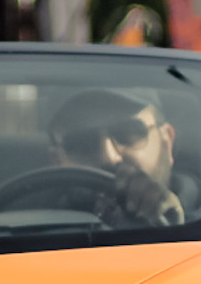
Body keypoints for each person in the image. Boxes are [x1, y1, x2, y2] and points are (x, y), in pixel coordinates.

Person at [47, 89, 188, 226]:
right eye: (82, 141)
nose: (108, 156)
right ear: (56, 159)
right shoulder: (31, 226)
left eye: (128, 133)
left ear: (167, 143)